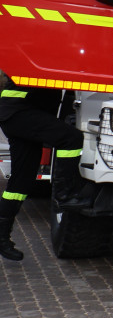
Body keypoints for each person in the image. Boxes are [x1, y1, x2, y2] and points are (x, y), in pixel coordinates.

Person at [0, 82, 91, 261]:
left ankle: (1, 237)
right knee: (71, 138)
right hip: (20, 111)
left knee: (21, 183)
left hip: (17, 112)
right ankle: (64, 194)